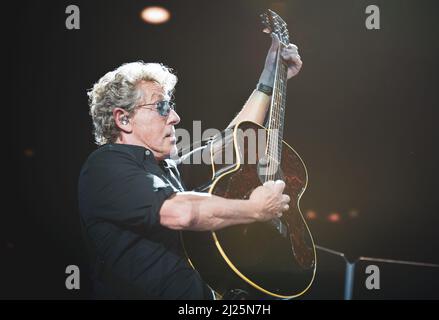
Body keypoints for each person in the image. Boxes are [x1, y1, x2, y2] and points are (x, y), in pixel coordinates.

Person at [78, 34, 302, 299]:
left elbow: (234, 142)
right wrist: (255, 209)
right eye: (161, 107)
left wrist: (269, 81)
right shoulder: (106, 165)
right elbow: (180, 212)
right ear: (124, 119)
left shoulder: (167, 169)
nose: (175, 117)